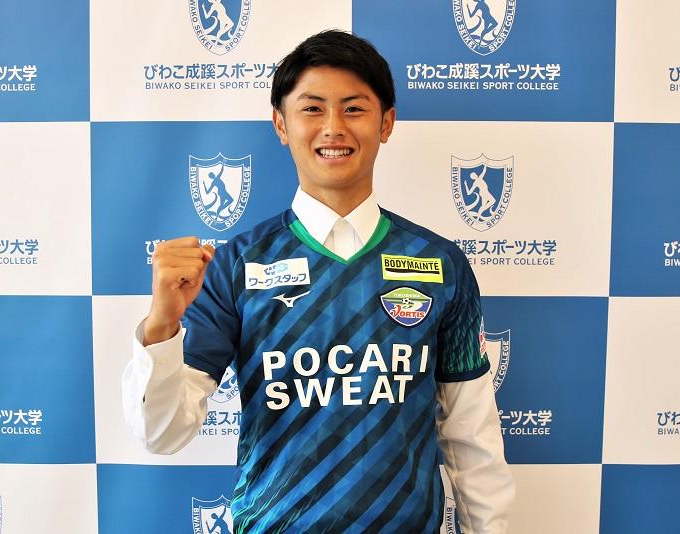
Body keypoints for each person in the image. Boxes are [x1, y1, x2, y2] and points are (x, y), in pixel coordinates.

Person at [122, 30, 514, 533]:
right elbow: (163, 434)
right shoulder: (236, 265)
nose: (333, 128)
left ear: (386, 123)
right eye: (312, 109)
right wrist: (161, 326)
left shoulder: (440, 264)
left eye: (354, 109)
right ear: (280, 124)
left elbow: (471, 435)